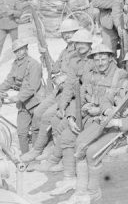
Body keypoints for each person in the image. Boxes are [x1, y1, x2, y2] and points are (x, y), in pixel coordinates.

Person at [60, 49, 128, 204]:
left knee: (92, 152)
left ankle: (93, 192)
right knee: (80, 143)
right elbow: (106, 99)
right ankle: (79, 192)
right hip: (108, 119)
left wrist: (118, 123)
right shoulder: (124, 82)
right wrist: (108, 110)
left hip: (125, 128)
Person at [20, 19, 82, 163]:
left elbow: (80, 73)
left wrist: (65, 78)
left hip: (71, 92)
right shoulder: (65, 51)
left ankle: (50, 149)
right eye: (64, 34)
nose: (67, 36)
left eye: (70, 33)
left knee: (49, 115)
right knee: (38, 112)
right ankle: (41, 147)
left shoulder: (80, 50)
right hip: (59, 90)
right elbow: (54, 68)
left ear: (76, 33)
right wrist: (45, 55)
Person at [0, 39, 43, 154]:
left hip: (36, 102)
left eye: (21, 49)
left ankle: (35, 157)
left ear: (26, 49)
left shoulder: (34, 64)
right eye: (16, 51)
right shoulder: (16, 64)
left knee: (36, 130)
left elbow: (33, 87)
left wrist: (17, 97)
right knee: (22, 132)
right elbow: (9, 80)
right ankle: (25, 156)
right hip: (23, 104)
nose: (19, 53)